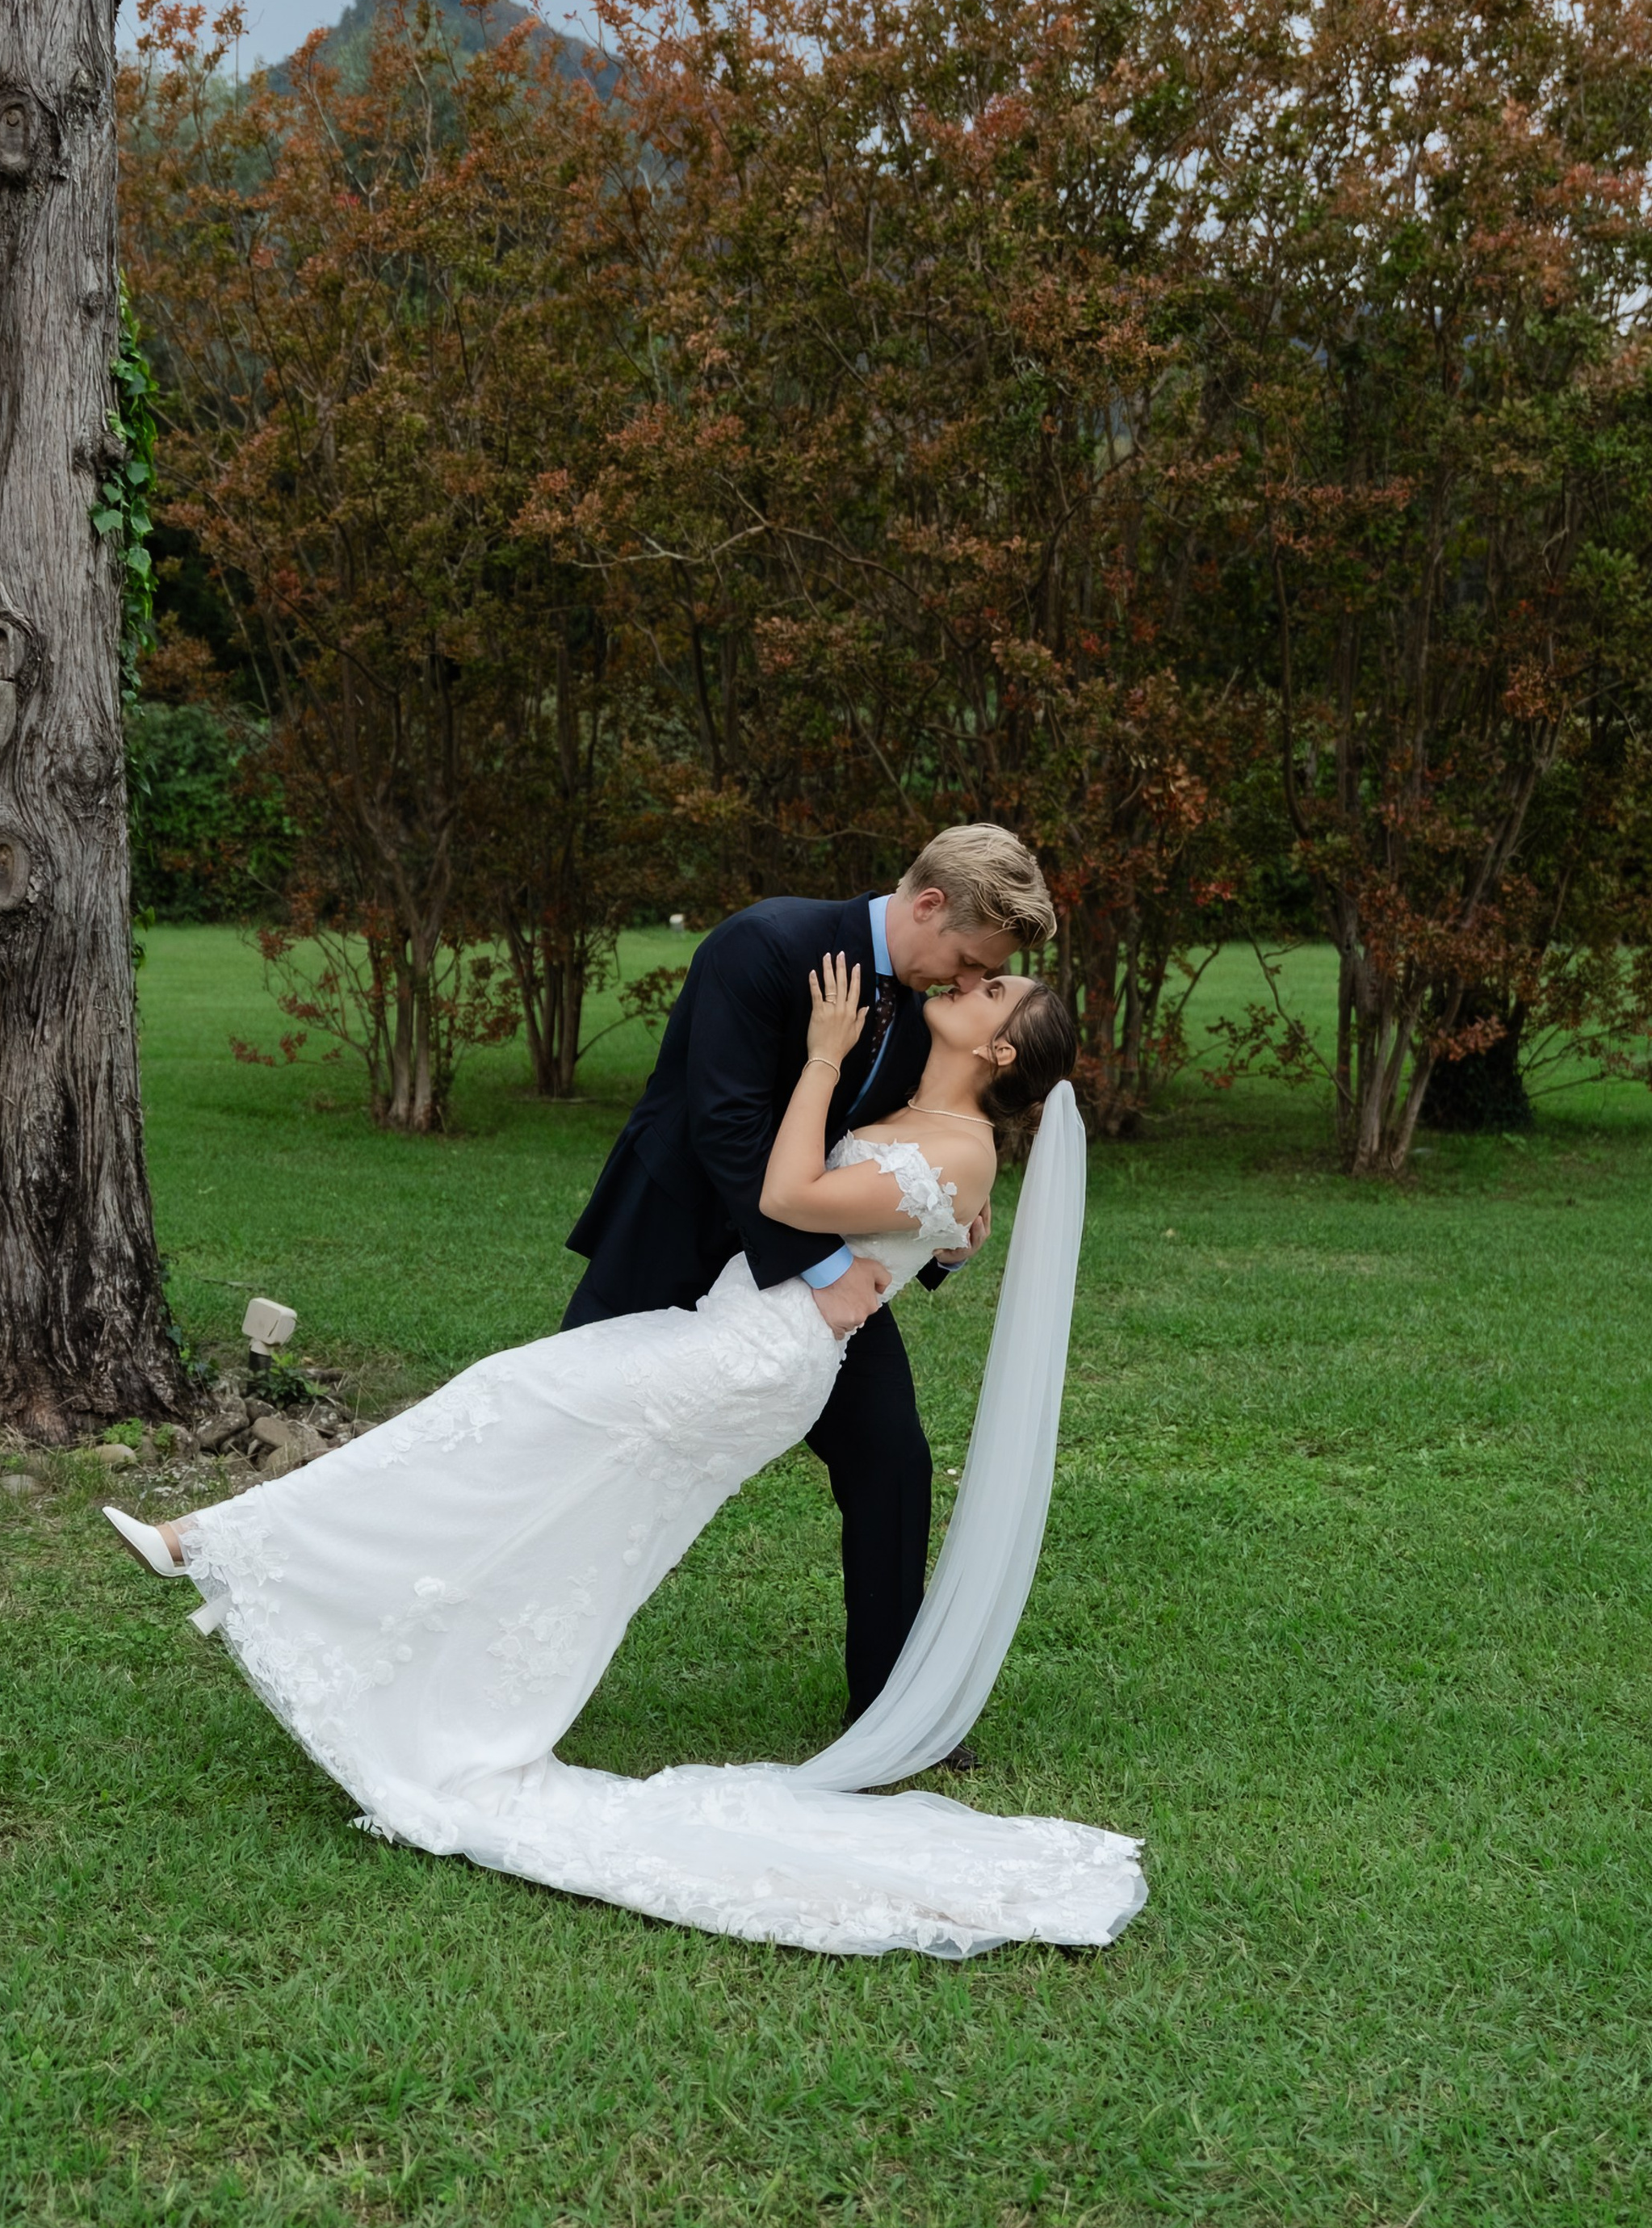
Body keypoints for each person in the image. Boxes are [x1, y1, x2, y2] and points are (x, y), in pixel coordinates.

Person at [99, 934, 1145, 1962]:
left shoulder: (958, 1142)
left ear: (1002, 1050)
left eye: (996, 988)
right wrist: (946, 1231)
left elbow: (788, 1201)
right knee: (564, 1506)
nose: (973, 980)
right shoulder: (934, 1119)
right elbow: (931, 1231)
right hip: (745, 1338)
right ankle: (353, 1630)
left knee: (506, 1403)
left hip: (754, 1356)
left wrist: (826, 1053)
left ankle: (220, 1547)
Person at [566, 824, 1057, 1738]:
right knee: (576, 1439)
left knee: (893, 1463)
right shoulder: (767, 945)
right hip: (677, 1240)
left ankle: (888, 1713)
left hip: (798, 1287)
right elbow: (727, 1133)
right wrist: (827, 1270)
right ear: (926, 906)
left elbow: (897, 1144)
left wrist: (946, 1227)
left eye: (979, 977)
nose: (961, 983)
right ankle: (514, 1664)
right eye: (966, 960)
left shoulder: (930, 1002)